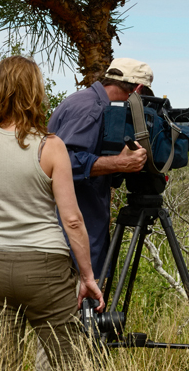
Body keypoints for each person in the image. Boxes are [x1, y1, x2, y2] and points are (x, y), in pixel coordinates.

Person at [0, 56, 104, 370]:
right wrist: (87, 276)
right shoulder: (50, 146)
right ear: (35, 93)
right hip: (45, 265)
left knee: (3, 363)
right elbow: (72, 219)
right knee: (68, 361)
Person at [47, 57, 152, 277]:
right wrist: (119, 163)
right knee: (77, 303)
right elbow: (62, 162)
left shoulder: (86, 102)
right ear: (138, 89)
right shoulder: (90, 109)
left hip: (79, 223)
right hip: (72, 231)